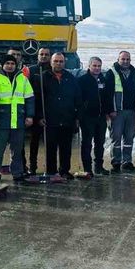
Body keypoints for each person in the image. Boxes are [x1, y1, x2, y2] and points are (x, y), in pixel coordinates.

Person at [0, 54, 35, 183]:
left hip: (18, 121)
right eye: (7, 63)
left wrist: (30, 116)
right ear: (2, 65)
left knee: (17, 151)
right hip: (1, 121)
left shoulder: (23, 79)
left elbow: (30, 99)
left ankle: (17, 174)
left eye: (12, 64)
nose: (10, 66)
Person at [39, 52, 82, 180]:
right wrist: (40, 116)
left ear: (64, 62)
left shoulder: (71, 78)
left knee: (66, 147)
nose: (58, 64)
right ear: (51, 62)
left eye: (61, 61)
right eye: (56, 61)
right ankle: (51, 171)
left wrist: (78, 117)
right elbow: (37, 99)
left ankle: (64, 170)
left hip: (67, 118)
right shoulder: (43, 77)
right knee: (50, 147)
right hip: (50, 119)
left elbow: (78, 98)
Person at [105, 51, 135, 173]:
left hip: (131, 112)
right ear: (118, 59)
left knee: (129, 138)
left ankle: (127, 162)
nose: (125, 61)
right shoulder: (111, 73)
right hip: (117, 112)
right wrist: (111, 110)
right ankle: (116, 162)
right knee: (116, 138)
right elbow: (107, 94)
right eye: (123, 59)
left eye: (127, 59)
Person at [77, 57, 113, 177]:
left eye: (99, 66)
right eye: (94, 66)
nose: (97, 68)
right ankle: (87, 169)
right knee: (87, 143)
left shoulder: (103, 79)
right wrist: (79, 115)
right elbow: (78, 100)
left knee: (100, 143)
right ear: (89, 66)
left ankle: (98, 167)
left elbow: (107, 97)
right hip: (87, 117)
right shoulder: (82, 80)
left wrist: (108, 112)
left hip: (101, 117)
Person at [27, 47, 52, 175]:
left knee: (50, 141)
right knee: (34, 141)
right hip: (36, 110)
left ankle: (50, 167)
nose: (43, 56)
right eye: (41, 54)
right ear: (37, 56)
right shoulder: (31, 70)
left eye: (46, 54)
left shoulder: (53, 70)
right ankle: (32, 166)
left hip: (50, 111)